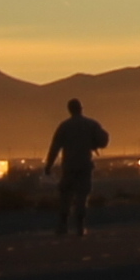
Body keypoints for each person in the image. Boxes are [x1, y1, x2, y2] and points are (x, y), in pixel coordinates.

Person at [46, 97, 110, 237]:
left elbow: (55, 148)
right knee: (82, 196)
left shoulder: (64, 126)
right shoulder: (91, 124)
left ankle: (63, 226)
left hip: (69, 166)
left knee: (65, 196)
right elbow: (104, 140)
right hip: (84, 166)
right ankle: (80, 227)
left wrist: (48, 165)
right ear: (81, 108)